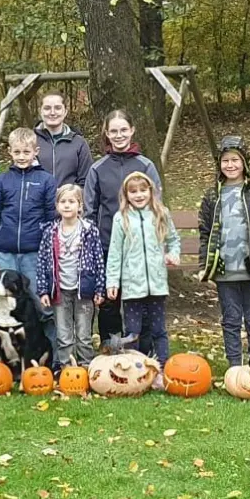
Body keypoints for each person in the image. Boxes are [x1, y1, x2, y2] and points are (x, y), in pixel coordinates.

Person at [196, 137, 250, 368]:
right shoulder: (212, 196)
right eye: (225, 161)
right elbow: (205, 234)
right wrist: (205, 265)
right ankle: (234, 365)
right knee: (231, 319)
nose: (230, 165)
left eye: (235, 160)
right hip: (224, 268)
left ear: (244, 162)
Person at [83, 109, 162, 343]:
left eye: (123, 130)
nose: (119, 135)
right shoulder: (97, 169)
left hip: (140, 249)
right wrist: (94, 246)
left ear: (132, 131)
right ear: (107, 133)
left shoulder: (145, 166)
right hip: (108, 248)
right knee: (109, 303)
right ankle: (111, 348)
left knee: (141, 302)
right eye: (114, 131)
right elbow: (90, 211)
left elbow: (156, 206)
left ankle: (142, 352)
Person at [104, 172, 181, 366]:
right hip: (132, 286)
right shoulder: (121, 219)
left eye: (143, 190)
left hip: (157, 284)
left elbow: (173, 240)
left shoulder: (161, 213)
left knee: (158, 329)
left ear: (151, 191)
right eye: (133, 191)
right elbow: (115, 253)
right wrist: (112, 281)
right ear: (126, 194)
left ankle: (162, 366)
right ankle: (134, 368)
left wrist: (174, 254)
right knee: (133, 331)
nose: (139, 195)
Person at [0, 127, 57, 301]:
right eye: (17, 152)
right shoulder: (1, 181)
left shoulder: (46, 180)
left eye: (26, 152)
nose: (22, 156)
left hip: (34, 253)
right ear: (9, 152)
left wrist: (48, 252)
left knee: (41, 303)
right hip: (5, 253)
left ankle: (50, 329)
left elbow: (52, 218)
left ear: (35, 152)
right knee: (2, 303)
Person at [37, 184, 105, 368]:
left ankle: (85, 368)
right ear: (57, 206)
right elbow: (42, 262)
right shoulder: (50, 232)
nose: (67, 206)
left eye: (71, 201)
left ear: (80, 205)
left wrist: (100, 288)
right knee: (63, 334)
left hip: (84, 291)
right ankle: (66, 369)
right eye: (63, 202)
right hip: (59, 291)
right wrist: (43, 290)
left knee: (83, 334)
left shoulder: (89, 231)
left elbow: (99, 261)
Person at [33, 92, 94, 189]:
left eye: (57, 108)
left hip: (68, 203)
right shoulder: (29, 141)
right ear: (40, 111)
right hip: (37, 203)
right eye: (47, 108)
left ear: (65, 111)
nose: (52, 113)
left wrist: (71, 196)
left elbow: (86, 181)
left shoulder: (78, 143)